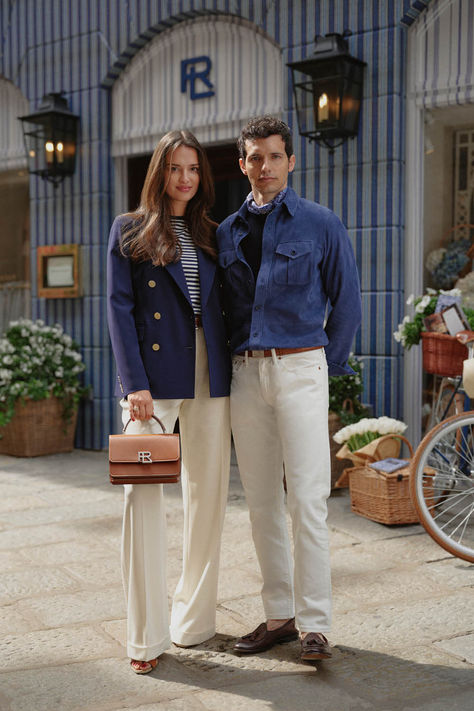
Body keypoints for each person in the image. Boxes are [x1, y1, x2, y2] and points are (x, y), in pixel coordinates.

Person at [216, 116, 361, 662]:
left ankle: (316, 626)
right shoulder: (226, 231)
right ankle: (280, 615)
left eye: (276, 156)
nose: (266, 166)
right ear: (243, 164)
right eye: (256, 157)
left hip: (301, 368)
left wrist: (331, 365)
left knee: (307, 500)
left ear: (291, 161)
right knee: (259, 503)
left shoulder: (321, 223)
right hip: (246, 375)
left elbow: (345, 301)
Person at [107, 130, 231, 674]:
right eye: (176, 168)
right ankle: (144, 636)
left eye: (194, 169)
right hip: (154, 383)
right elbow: (118, 309)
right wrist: (133, 382)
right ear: (158, 172)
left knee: (208, 496)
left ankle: (192, 620)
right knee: (142, 497)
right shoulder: (129, 230)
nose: (185, 178)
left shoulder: (210, 232)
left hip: (209, 369)